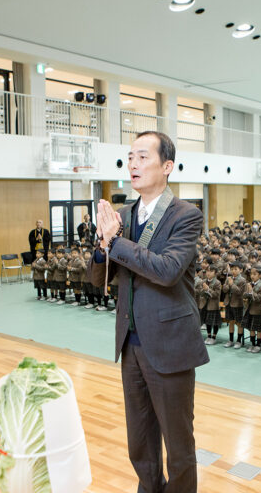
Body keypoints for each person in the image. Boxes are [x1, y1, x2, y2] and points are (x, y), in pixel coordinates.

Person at [87, 130, 207, 492]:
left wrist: (115, 241)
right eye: (130, 156)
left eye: (143, 157)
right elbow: (98, 279)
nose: (133, 164)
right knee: (140, 441)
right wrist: (100, 244)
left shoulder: (185, 215)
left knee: (178, 443)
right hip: (131, 343)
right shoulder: (122, 215)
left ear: (167, 166)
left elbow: (167, 270)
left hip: (170, 344)